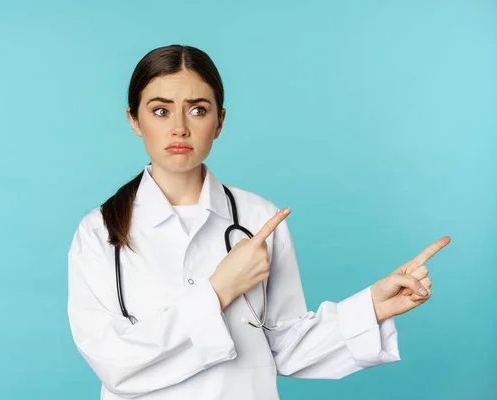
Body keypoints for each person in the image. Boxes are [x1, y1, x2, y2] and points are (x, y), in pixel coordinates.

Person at [67, 44, 451, 400]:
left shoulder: (259, 219)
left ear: (219, 122)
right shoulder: (98, 232)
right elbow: (112, 362)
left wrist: (373, 307)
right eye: (160, 110)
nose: (179, 127)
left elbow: (287, 346)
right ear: (134, 120)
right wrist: (219, 289)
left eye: (198, 109)